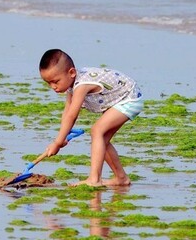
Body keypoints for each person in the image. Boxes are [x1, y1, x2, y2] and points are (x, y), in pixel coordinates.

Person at [40, 49, 143, 186]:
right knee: (102, 139)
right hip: (118, 100)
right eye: (48, 83)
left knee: (96, 131)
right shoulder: (71, 85)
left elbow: (72, 115)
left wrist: (57, 143)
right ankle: (121, 178)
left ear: (71, 73)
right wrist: (61, 137)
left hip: (128, 98)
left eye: (55, 81)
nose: (53, 87)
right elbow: (66, 114)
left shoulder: (81, 85)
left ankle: (94, 179)